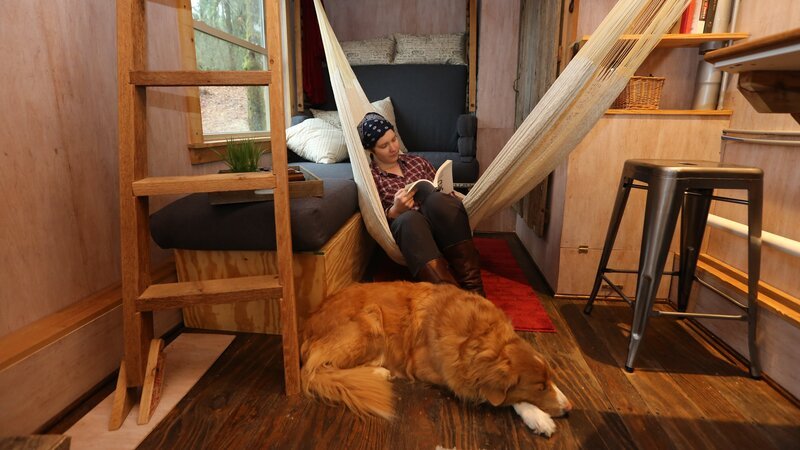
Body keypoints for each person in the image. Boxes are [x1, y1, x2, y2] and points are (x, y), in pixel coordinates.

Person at [357, 112, 484, 296]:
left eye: (394, 140)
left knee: (436, 200)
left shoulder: (418, 162)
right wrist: (395, 210)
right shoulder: (370, 179)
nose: (393, 148)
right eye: (384, 145)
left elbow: (443, 190)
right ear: (371, 151)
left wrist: (447, 196)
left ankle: (475, 290)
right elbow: (374, 219)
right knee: (408, 220)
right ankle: (453, 298)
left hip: (443, 227)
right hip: (414, 237)